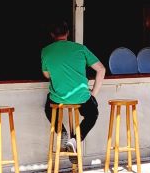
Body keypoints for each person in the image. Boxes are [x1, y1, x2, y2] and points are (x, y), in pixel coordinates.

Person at [41, 20, 106, 152]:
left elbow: (47, 75)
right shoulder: (80, 49)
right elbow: (101, 69)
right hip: (81, 97)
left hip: (58, 99)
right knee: (92, 114)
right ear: (68, 33)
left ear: (52, 34)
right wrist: (93, 95)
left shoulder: (46, 51)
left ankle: (62, 133)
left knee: (49, 108)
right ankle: (75, 140)